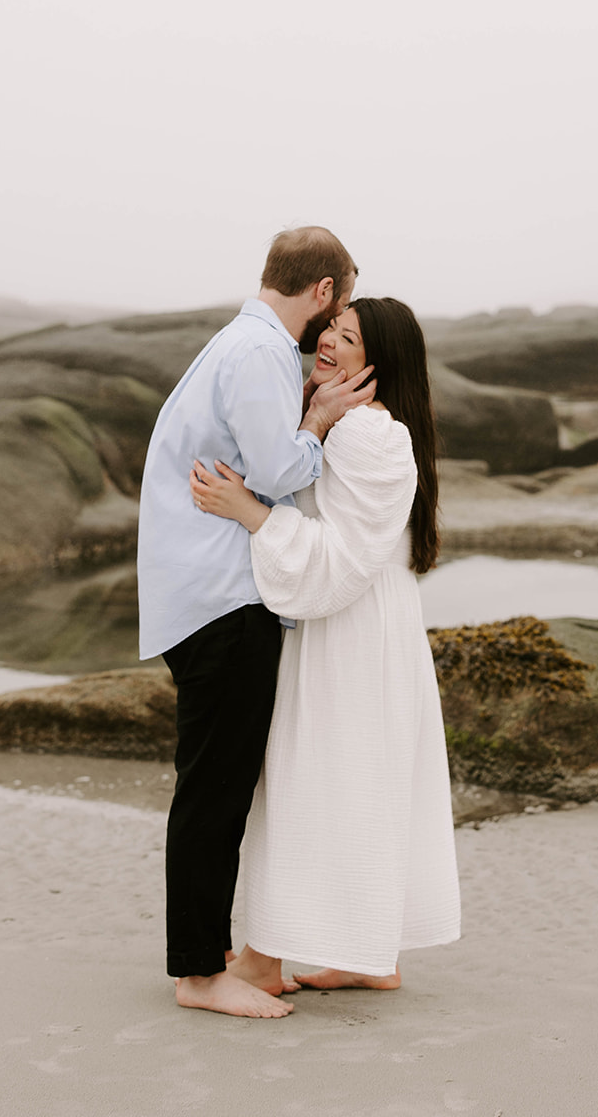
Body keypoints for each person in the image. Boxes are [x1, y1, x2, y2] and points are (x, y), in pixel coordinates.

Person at [136, 226, 375, 1019]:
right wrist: (320, 421)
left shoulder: (242, 345)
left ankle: (210, 962)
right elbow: (276, 472)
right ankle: (200, 973)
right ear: (324, 291)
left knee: (217, 786)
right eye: (338, 303)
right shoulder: (262, 354)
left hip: (204, 595)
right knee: (215, 791)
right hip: (220, 599)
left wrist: (302, 417)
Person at [190, 297, 461, 993]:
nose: (329, 345)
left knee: (312, 781)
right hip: (371, 624)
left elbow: (340, 559)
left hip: (348, 629)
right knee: (360, 780)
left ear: (380, 364)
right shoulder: (362, 426)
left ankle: (263, 959)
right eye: (330, 332)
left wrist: (247, 513)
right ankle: (371, 955)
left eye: (349, 339)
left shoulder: (363, 433)